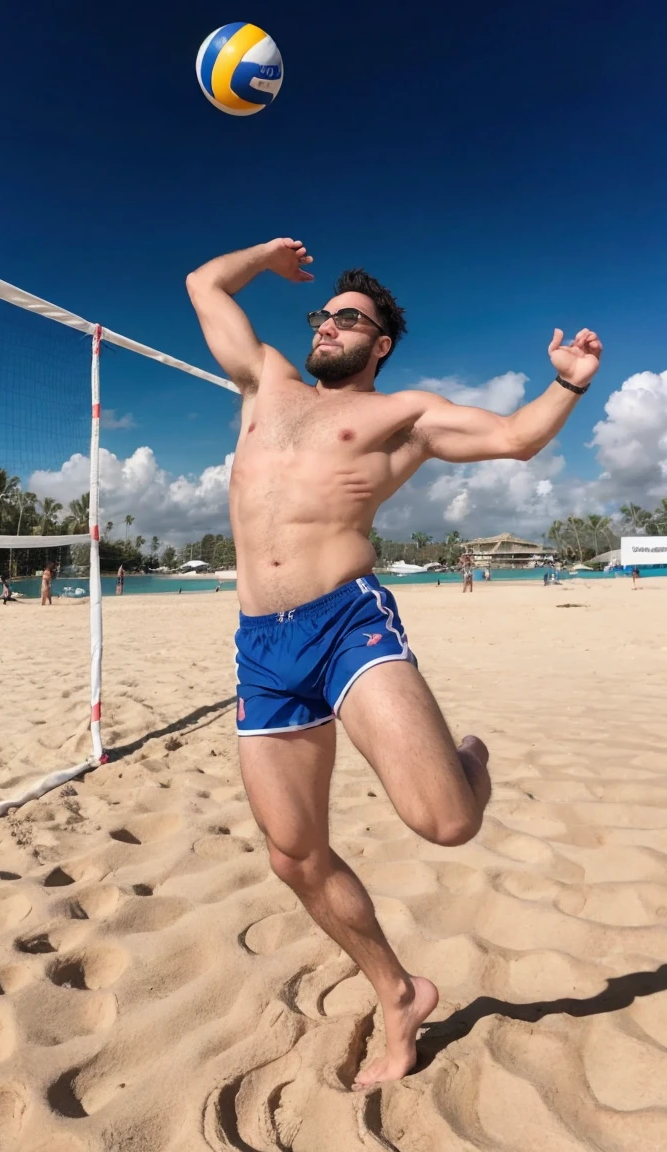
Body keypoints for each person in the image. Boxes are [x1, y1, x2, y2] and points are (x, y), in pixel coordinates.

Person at [187, 236, 602, 1089]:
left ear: (379, 344)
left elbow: (518, 439)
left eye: (350, 319)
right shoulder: (266, 380)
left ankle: (468, 762)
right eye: (325, 315)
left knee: (446, 821)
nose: (330, 325)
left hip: (347, 624)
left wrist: (566, 382)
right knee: (293, 854)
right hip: (262, 647)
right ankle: (399, 991)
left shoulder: (401, 414)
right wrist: (267, 256)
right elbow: (202, 282)